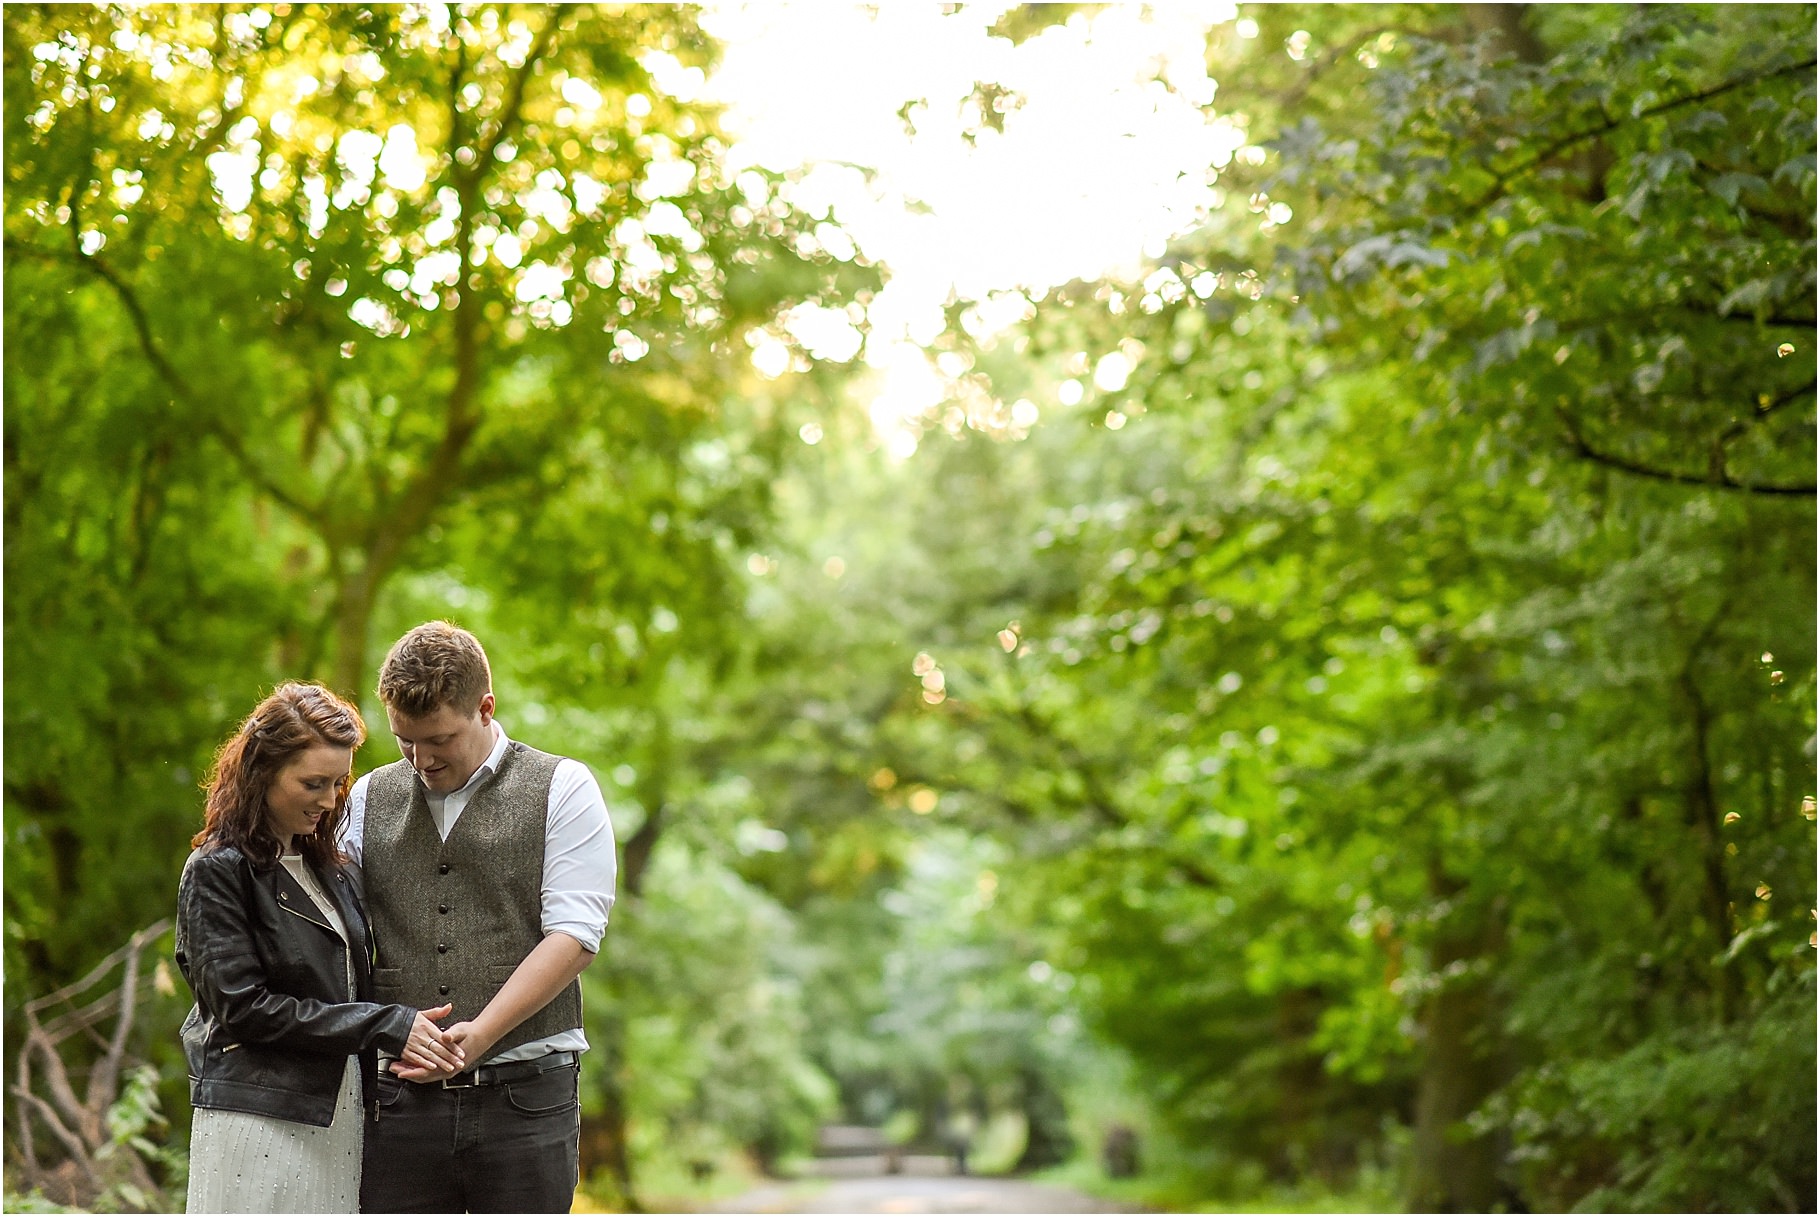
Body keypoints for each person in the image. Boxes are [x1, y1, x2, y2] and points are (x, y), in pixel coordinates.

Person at [343, 621, 617, 1213]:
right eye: (404, 740)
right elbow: (332, 929)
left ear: (485, 708)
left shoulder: (562, 787)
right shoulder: (365, 797)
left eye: (439, 738)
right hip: (398, 1100)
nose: (421, 759)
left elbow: (574, 935)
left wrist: (483, 1033)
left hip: (527, 1095)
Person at [177, 682, 467, 1214]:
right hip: (261, 1118)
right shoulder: (218, 871)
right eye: (312, 783)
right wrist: (382, 1024)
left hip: (339, 1113)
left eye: (338, 783)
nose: (330, 801)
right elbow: (241, 1008)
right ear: (261, 773)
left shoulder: (324, 867)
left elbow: (347, 984)